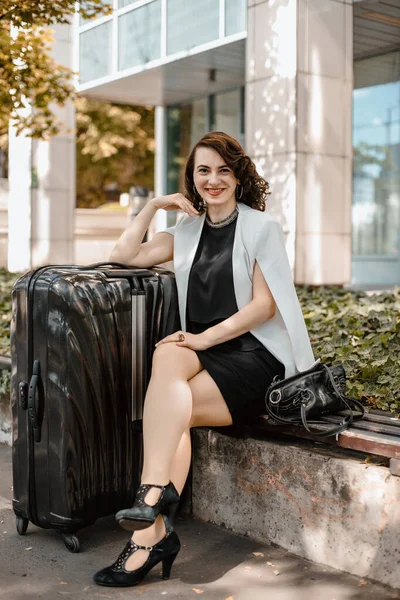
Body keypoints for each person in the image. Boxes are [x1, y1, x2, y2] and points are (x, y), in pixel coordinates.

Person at [93, 131, 315, 587]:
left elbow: (262, 307)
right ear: (192, 179)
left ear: (238, 177)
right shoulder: (185, 232)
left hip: (254, 354)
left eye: (223, 170)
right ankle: (152, 504)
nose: (213, 180)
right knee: (167, 363)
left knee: (170, 397)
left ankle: (148, 533)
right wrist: (153, 206)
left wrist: (201, 339)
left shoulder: (261, 228)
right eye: (203, 170)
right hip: (201, 348)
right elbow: (123, 255)